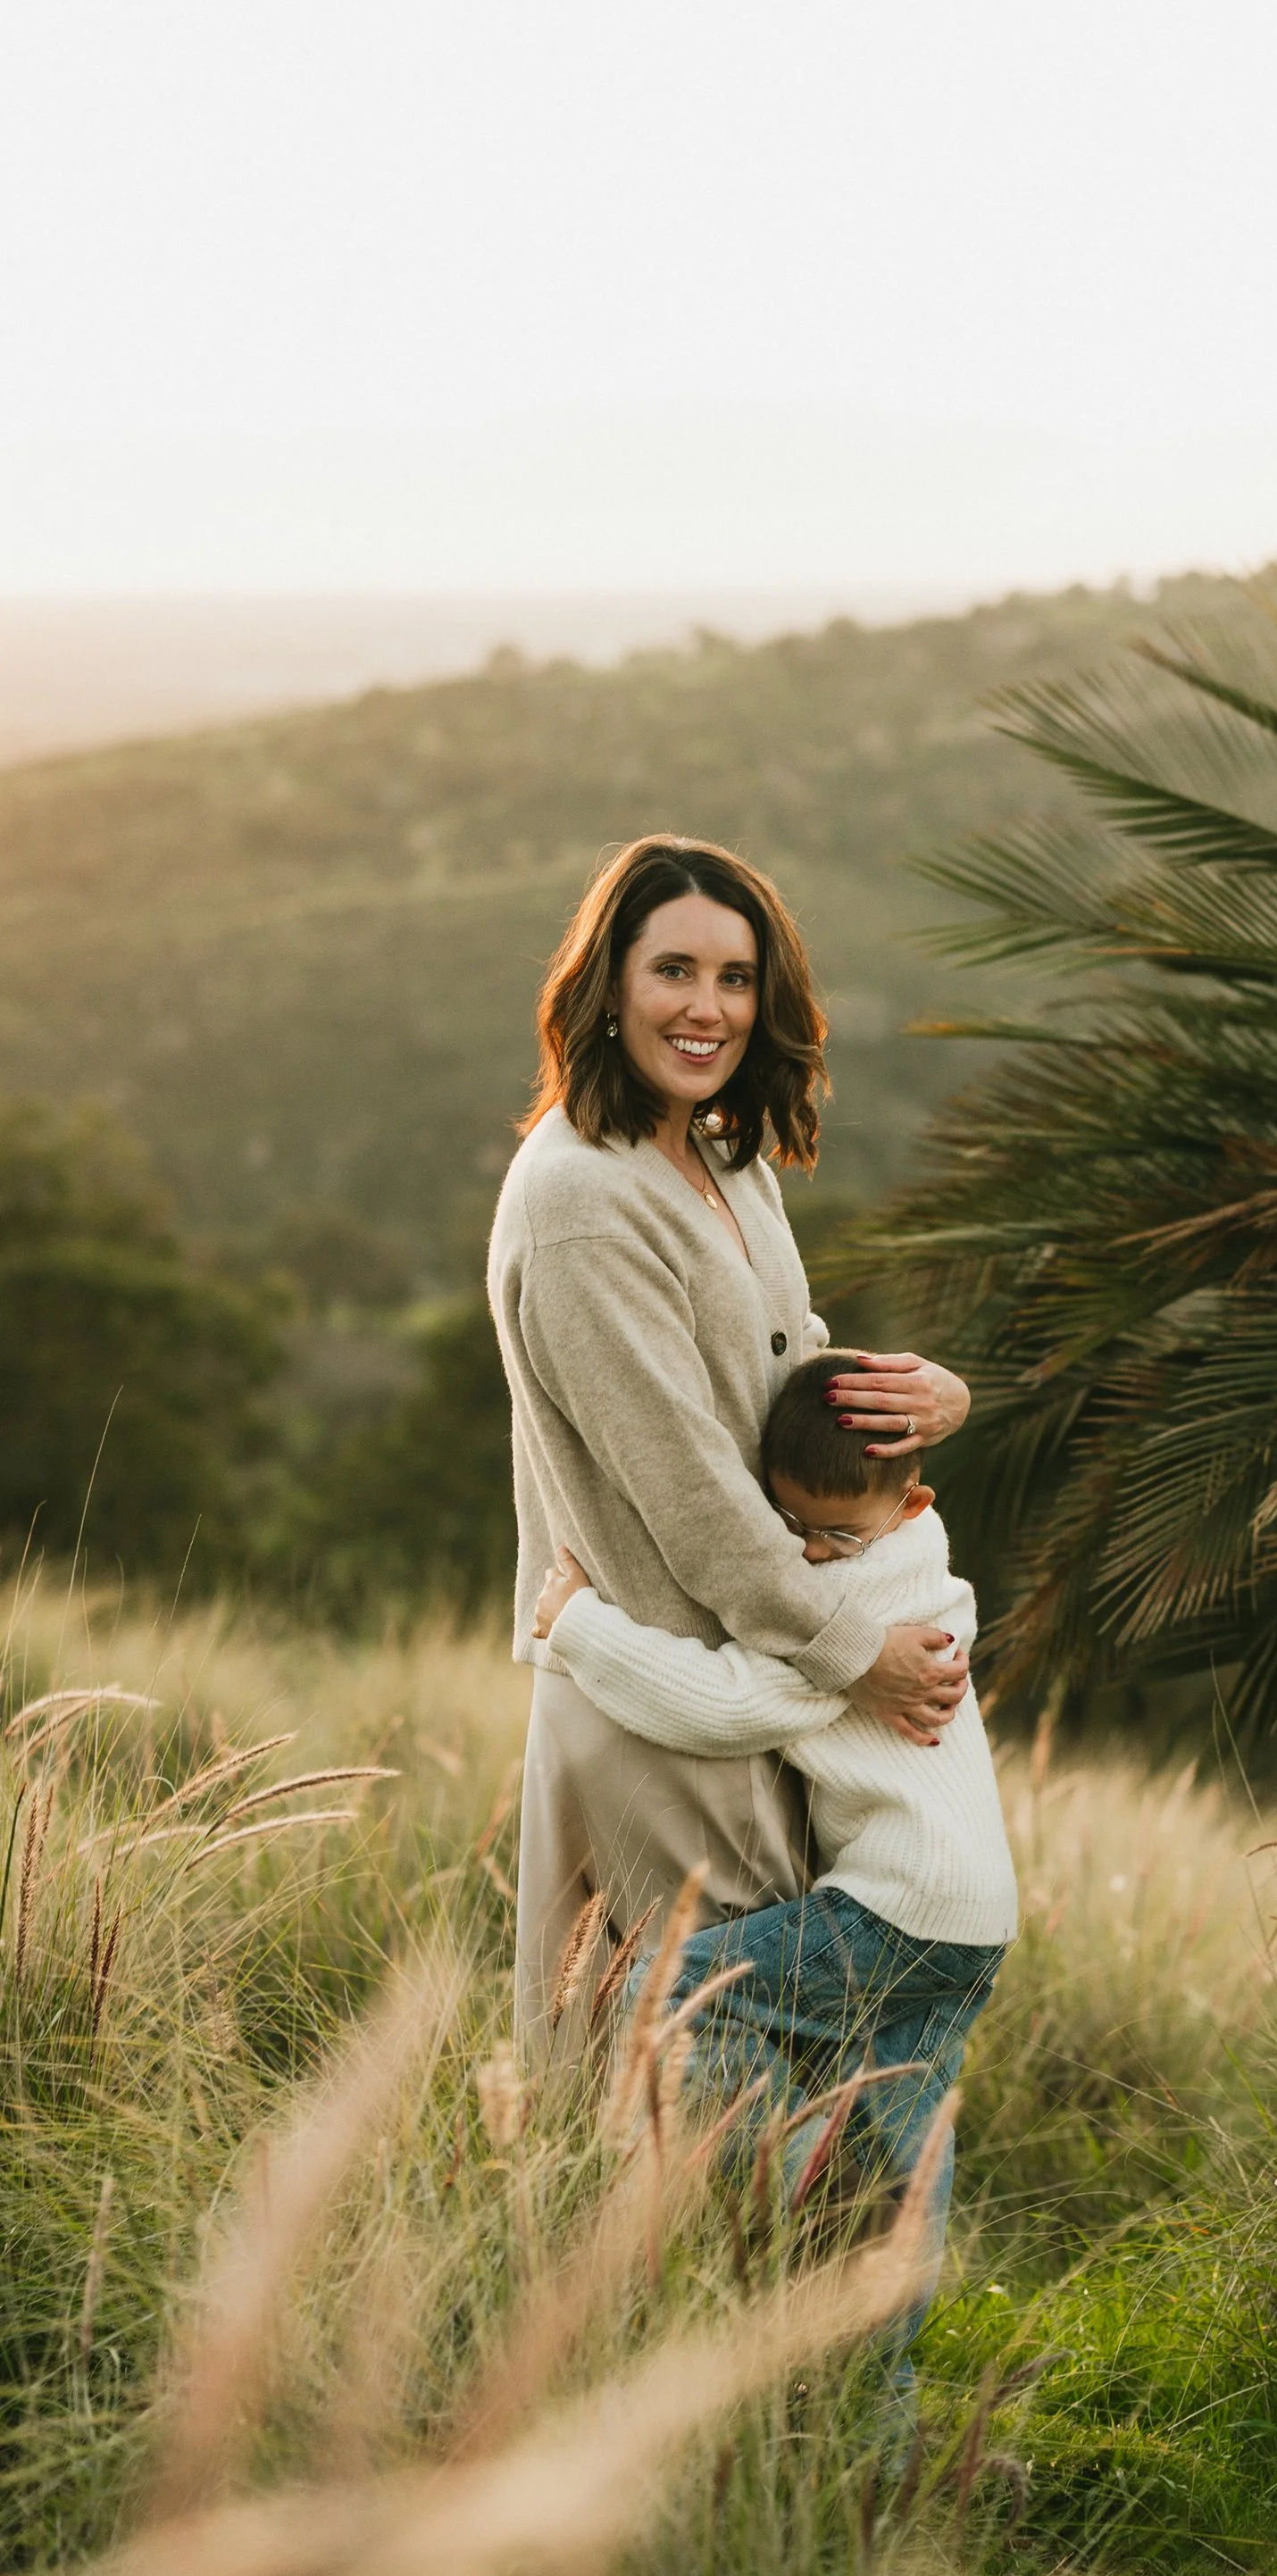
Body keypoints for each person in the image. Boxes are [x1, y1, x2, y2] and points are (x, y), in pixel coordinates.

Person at [489, 832, 974, 2060]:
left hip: (745, 1675)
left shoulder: (713, 1155)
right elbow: (692, 1493)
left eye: (738, 977)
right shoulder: (579, 1200)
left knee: (739, 2065)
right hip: (657, 1687)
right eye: (674, 971)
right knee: (666, 2062)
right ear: (608, 984)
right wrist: (854, 1649)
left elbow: (780, 1378)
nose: (708, 1008)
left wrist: (933, 1399)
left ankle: (768, 2259)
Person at [530, 1347, 1016, 2392]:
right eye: (788, 1525)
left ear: (911, 1500)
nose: (808, 1555)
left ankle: (799, 2231)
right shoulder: (898, 1551)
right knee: (903, 2166)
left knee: (687, 2000)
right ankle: (875, 2428)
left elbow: (726, 1705)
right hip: (969, 1921)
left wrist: (577, 1627)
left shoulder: (882, 1606)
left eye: (835, 1535)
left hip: (901, 1906)